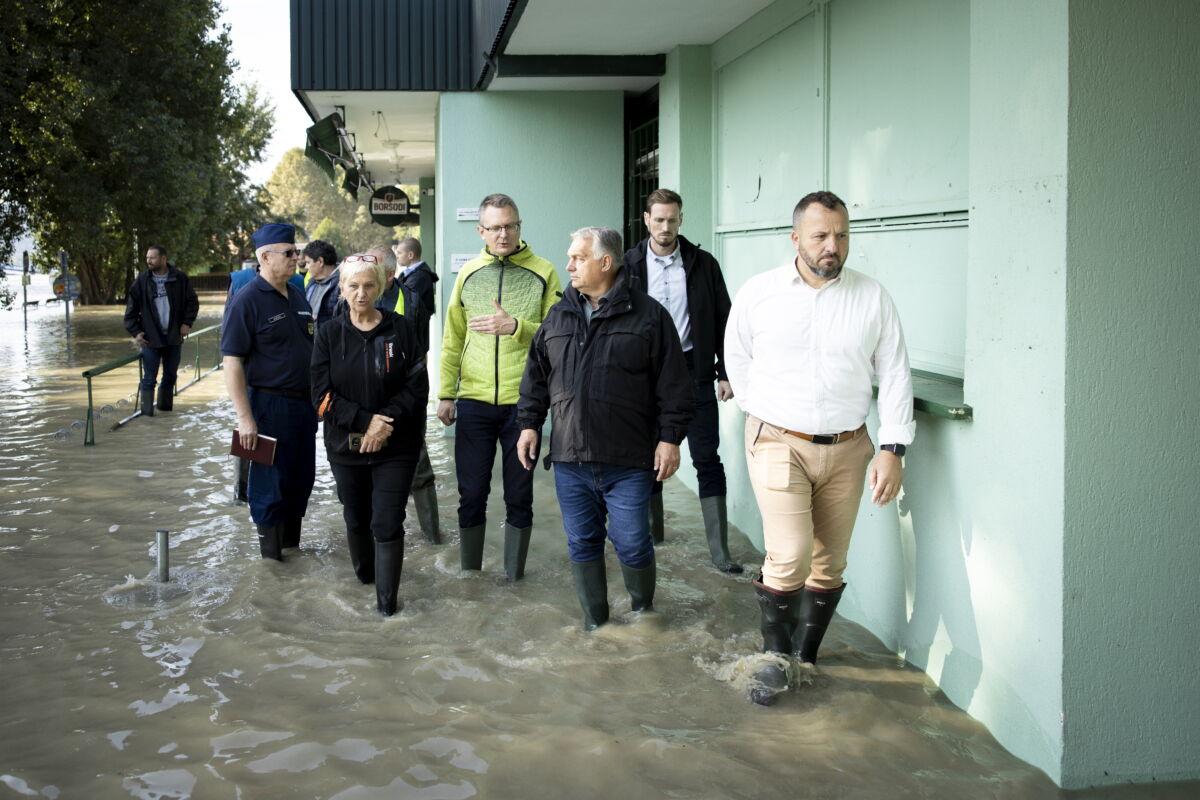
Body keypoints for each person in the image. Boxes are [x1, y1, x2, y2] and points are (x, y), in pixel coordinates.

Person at [724, 191, 915, 705]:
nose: (833, 246)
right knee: (789, 552)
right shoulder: (760, 292)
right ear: (796, 239)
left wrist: (892, 448)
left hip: (850, 446)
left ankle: (806, 657)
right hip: (778, 441)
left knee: (830, 562)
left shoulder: (872, 298)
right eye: (821, 236)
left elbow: (895, 375)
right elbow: (736, 354)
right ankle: (772, 660)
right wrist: (757, 411)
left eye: (841, 235)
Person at [517, 227, 692, 629]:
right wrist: (528, 425)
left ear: (605, 262)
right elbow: (536, 376)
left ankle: (644, 617)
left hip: (629, 460)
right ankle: (596, 626)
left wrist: (669, 439)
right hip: (569, 458)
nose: (569, 265)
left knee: (632, 542)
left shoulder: (649, 316)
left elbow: (674, 386)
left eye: (578, 258)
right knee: (582, 543)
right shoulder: (559, 314)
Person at [439, 194, 561, 581]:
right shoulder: (468, 273)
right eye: (495, 227)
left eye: (510, 225)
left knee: (519, 497)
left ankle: (514, 579)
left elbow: (560, 335)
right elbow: (452, 337)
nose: (503, 234)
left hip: (523, 406)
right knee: (471, 494)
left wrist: (516, 328)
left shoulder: (544, 272)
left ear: (520, 226)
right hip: (473, 400)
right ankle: (469, 578)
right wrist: (445, 393)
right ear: (481, 231)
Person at [622, 188, 741, 573]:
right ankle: (653, 539)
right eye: (658, 219)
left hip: (695, 370)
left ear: (681, 220)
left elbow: (725, 320)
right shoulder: (629, 266)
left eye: (672, 220)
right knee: (645, 458)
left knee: (707, 457)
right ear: (646, 220)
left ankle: (720, 553)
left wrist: (726, 372)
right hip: (645, 375)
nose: (665, 227)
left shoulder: (703, 264)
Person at [311, 253, 428, 616]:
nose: (361, 293)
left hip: (397, 444)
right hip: (345, 444)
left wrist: (383, 422)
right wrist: (364, 422)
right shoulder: (329, 333)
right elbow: (320, 395)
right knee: (357, 517)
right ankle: (365, 580)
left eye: (368, 285)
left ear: (380, 286)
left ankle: (387, 608)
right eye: (353, 286)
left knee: (387, 520)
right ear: (342, 290)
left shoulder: (403, 328)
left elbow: (417, 387)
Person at [220, 223, 318, 560]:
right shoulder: (246, 301)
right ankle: (272, 565)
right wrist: (244, 419)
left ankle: (291, 562)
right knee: (268, 486)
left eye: (296, 252)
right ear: (265, 257)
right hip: (265, 407)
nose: (297, 258)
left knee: (300, 479)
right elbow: (231, 362)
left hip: (302, 408)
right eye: (289, 253)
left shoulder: (298, 293)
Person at [392, 237, 442, 544]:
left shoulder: (415, 285)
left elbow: (416, 344)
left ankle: (432, 536)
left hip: (408, 390)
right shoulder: (409, 283)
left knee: (419, 467)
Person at [123, 245, 199, 416]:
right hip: (150, 339)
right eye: (147, 257)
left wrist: (187, 323)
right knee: (149, 379)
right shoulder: (141, 281)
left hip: (173, 337)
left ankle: (165, 414)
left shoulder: (180, 278)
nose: (148, 261)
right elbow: (130, 312)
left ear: (163, 258)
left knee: (170, 376)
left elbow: (192, 302)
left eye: (152, 257)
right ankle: (147, 417)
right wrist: (136, 332)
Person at [394, 236, 438, 321]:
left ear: (410, 255)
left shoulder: (420, 276)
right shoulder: (407, 274)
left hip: (415, 327)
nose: (397, 256)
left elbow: (402, 297)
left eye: (399, 253)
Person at [301, 239, 340, 330]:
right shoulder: (311, 283)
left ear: (320, 261)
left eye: (308, 262)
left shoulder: (343, 285)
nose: (306, 267)